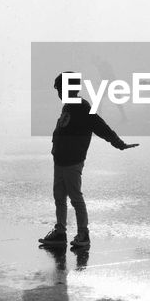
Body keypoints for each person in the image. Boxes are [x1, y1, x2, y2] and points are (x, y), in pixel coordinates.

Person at [40, 71, 138, 250]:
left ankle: (83, 234)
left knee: (75, 197)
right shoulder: (68, 106)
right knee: (59, 196)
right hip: (61, 159)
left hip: (73, 160)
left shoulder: (83, 107)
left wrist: (118, 143)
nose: (59, 94)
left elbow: (100, 126)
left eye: (61, 89)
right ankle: (60, 231)